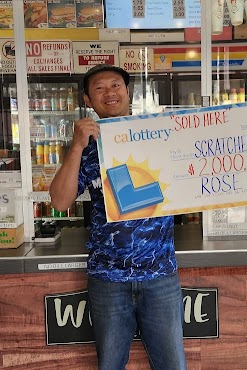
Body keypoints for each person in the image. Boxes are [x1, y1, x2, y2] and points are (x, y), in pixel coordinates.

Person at [49, 64, 187, 370]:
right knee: (110, 365)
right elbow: (59, 200)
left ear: (128, 93)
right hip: (107, 278)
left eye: (116, 86)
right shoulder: (85, 149)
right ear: (88, 99)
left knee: (173, 365)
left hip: (160, 274)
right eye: (99, 88)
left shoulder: (158, 136)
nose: (109, 93)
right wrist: (76, 144)